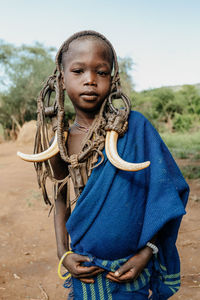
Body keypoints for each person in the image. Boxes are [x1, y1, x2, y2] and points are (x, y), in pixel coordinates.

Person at [18, 31, 189, 300]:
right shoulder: (60, 139)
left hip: (132, 271)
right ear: (61, 78)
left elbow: (166, 196)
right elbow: (61, 199)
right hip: (85, 272)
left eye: (101, 72)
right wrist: (63, 252)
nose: (90, 80)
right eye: (78, 71)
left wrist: (148, 252)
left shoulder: (135, 128)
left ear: (113, 79)